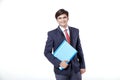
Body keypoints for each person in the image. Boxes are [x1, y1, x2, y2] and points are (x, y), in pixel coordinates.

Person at [44, 9, 86, 80]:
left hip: (76, 69)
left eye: (64, 17)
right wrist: (59, 63)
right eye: (59, 18)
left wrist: (82, 66)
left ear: (68, 18)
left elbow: (79, 49)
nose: (62, 20)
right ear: (57, 20)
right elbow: (47, 52)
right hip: (61, 70)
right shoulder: (52, 34)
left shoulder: (75, 31)